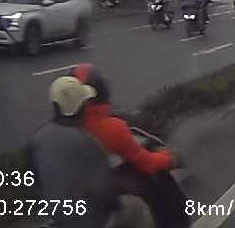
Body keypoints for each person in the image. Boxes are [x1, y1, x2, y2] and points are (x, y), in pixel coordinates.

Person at [29, 76, 154, 228]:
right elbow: (105, 195)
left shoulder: (38, 139)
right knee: (137, 207)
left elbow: (33, 185)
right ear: (82, 108)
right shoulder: (87, 142)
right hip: (89, 222)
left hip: (53, 218)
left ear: (55, 105)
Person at [70, 64, 185, 227]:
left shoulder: (58, 132)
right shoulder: (113, 128)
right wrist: (171, 158)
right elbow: (147, 164)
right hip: (104, 202)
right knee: (145, 207)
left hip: (72, 203)